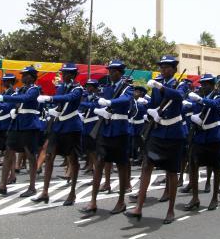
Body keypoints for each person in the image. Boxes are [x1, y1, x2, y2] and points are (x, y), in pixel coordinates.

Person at [124, 55, 185, 224]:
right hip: (157, 132)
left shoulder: (180, 84)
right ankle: (138, 207)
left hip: (173, 132)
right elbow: (153, 105)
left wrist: (160, 86)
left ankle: (171, 210)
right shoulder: (157, 85)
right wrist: (150, 110)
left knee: (172, 172)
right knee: (146, 166)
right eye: (161, 67)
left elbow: (178, 97)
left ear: (174, 69)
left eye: (167, 67)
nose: (163, 69)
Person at [81, 60, 133, 216]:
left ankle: (121, 201)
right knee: (99, 164)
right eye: (110, 70)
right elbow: (98, 102)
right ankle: (93, 201)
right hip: (106, 130)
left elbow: (126, 101)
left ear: (121, 72)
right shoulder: (107, 88)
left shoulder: (128, 88)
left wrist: (110, 102)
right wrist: (90, 106)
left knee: (122, 166)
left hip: (120, 130)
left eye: (114, 71)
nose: (111, 73)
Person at [32, 63, 83, 205]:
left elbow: (69, 98)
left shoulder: (78, 88)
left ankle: (72, 193)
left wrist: (50, 99)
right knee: (49, 156)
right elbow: (60, 102)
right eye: (63, 73)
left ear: (72, 74)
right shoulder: (61, 87)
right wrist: (52, 109)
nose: (63, 75)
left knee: (73, 159)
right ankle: (45, 192)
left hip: (72, 126)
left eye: (66, 73)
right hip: (58, 125)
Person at [0, 66, 41, 197]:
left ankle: (32, 187)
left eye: (25, 75)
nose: (22, 77)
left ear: (32, 76)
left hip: (29, 124)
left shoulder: (35, 89)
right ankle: (2, 185)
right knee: (8, 153)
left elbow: (25, 99)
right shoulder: (19, 90)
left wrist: (1, 97)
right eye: (22, 74)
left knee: (30, 156)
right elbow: (7, 107)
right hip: (16, 124)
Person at [184, 73, 220, 211]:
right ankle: (195, 198)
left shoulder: (218, 96)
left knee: (216, 167)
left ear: (213, 85)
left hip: (214, 136)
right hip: (200, 136)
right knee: (194, 166)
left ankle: (214, 198)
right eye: (203, 84)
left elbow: (217, 105)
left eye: (207, 84)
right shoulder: (201, 98)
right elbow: (193, 111)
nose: (204, 86)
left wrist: (201, 100)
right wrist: (186, 105)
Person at [79, 79, 100, 174]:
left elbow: (93, 106)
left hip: (93, 124)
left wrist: (80, 103)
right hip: (86, 124)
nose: (88, 88)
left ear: (95, 88)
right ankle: (91, 166)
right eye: (87, 86)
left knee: (94, 149)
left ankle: (97, 168)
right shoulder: (86, 97)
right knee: (88, 149)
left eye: (90, 86)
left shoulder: (98, 98)